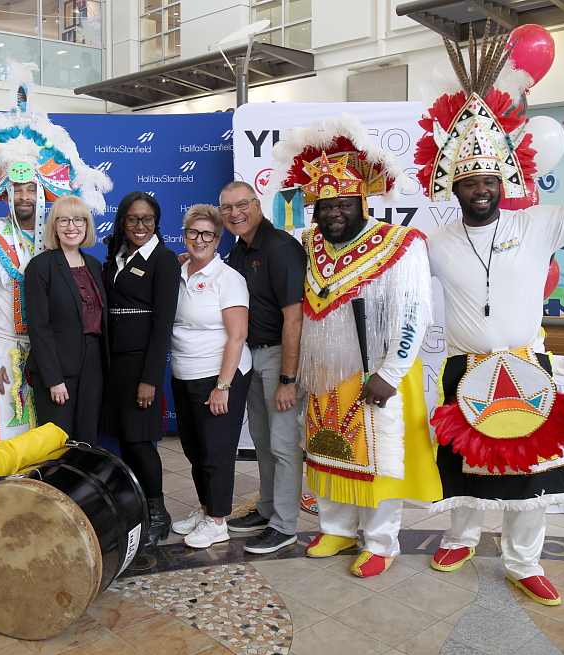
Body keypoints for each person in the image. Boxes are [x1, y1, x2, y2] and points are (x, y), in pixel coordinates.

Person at [417, 30, 564, 605]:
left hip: (527, 364)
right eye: (469, 181)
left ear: (502, 183)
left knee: (530, 469)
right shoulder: (436, 241)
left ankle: (524, 560)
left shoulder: (538, 224)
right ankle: (461, 537)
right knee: (465, 460)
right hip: (463, 364)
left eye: (488, 180)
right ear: (454, 186)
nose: (480, 189)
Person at [265, 114, 443, 576]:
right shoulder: (309, 244)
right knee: (327, 450)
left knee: (377, 458)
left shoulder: (399, 244)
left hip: (376, 374)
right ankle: (338, 529)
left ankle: (381, 543)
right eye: (325, 206)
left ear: (362, 201)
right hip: (323, 375)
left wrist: (391, 373)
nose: (333, 214)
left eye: (343, 204)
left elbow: (413, 314)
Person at [0, 79, 111, 454]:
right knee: (8, 445)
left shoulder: (59, 242)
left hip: (56, 357)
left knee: (55, 444)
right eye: (17, 189)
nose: (24, 196)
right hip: (5, 354)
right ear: (5, 192)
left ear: (43, 192)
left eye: (31, 189)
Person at [221, 181, 307, 554]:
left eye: (241, 205)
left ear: (258, 205)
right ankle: (268, 508)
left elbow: (294, 318)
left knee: (284, 444)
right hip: (250, 356)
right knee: (261, 439)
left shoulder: (280, 248)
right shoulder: (239, 249)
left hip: (278, 357)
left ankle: (284, 525)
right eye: (226, 208)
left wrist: (288, 378)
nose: (234, 213)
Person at [168, 205, 251, 548]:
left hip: (219, 375)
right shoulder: (177, 271)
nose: (199, 239)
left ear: (218, 240)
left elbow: (238, 335)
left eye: (207, 234)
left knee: (216, 452)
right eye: (193, 232)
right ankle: (205, 510)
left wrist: (222, 386)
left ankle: (218, 522)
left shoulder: (228, 278)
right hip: (184, 373)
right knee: (193, 449)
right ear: (184, 235)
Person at [102, 191, 181, 547]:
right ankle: (137, 511)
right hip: (114, 362)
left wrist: (151, 378)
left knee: (139, 441)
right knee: (124, 440)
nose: (140, 225)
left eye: (147, 219)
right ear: (122, 221)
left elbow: (162, 324)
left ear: (156, 223)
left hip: (140, 364)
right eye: (133, 218)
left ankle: (158, 515)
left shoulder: (163, 259)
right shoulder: (117, 256)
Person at [25, 195, 108, 443]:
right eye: (63, 220)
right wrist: (54, 380)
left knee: (87, 440)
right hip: (57, 368)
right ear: (54, 226)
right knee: (57, 442)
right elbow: (39, 327)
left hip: (93, 365)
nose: (71, 227)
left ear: (87, 225)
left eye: (78, 220)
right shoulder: (41, 266)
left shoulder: (94, 265)